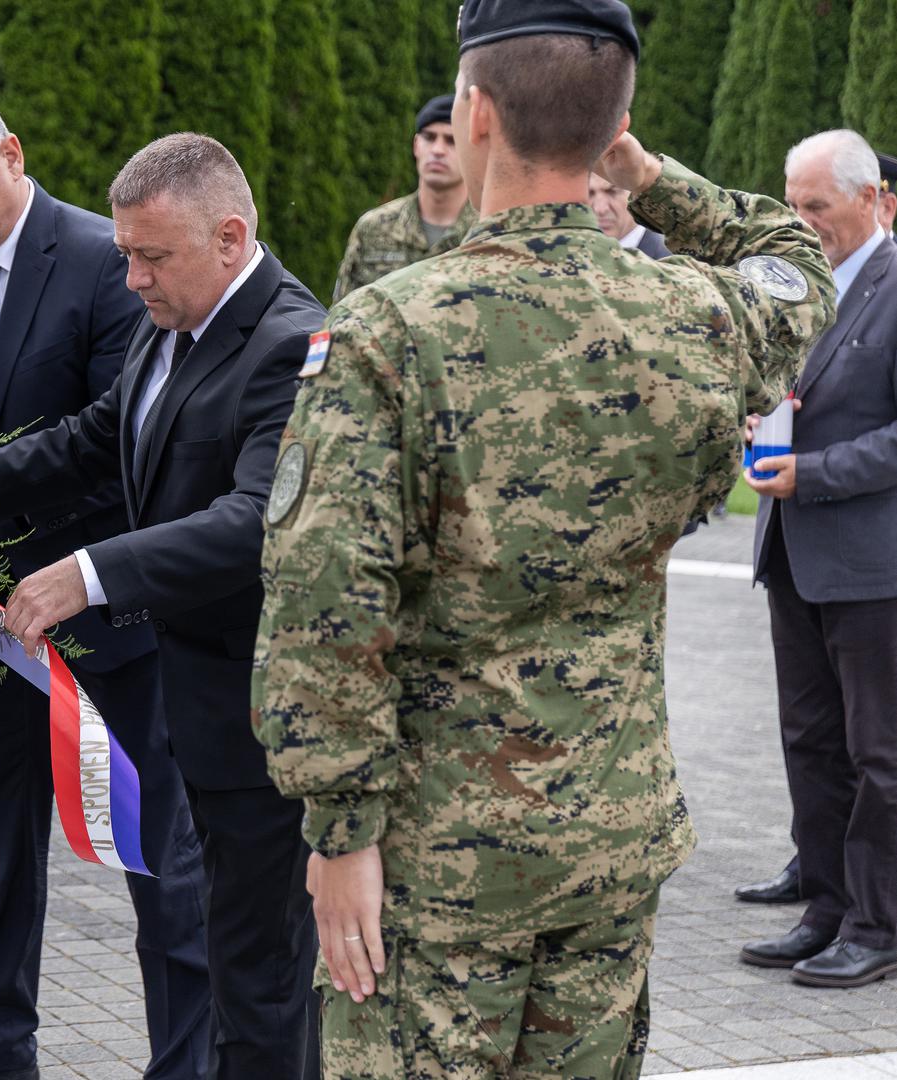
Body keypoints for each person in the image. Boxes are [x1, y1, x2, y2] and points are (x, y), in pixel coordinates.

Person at [252, 0, 834, 1075]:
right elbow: (794, 258)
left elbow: (326, 602)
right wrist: (649, 173)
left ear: (474, 113)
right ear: (614, 124)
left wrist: (340, 831)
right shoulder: (696, 317)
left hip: (438, 862)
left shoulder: (390, 331)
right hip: (609, 840)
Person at [0, 132, 327, 1079]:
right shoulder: (176, 323)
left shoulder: (287, 343)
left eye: (151, 256)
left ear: (231, 237)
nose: (130, 280)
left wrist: (88, 572)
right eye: (123, 254)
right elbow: (91, 439)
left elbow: (252, 521)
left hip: (255, 724)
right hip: (191, 702)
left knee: (261, 981)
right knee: (221, 953)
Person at [0, 75, 211, 1080]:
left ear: (11, 154)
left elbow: (113, 433)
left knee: (162, 862)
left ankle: (187, 1061)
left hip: (111, 615)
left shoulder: (111, 261)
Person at [738, 129, 897, 990]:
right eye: (790, 207)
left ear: (875, 201)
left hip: (872, 565)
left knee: (880, 755)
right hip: (789, 555)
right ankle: (826, 909)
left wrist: (816, 474)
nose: (800, 223)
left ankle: (878, 924)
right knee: (810, 742)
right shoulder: (795, 292)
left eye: (815, 208)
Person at [330, 93, 475, 302]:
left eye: (451, 140)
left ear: (471, 150)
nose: (438, 150)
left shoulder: (485, 232)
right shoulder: (374, 228)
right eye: (429, 137)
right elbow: (341, 313)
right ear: (416, 145)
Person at [589, 170, 670, 257]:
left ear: (637, 193)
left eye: (612, 192)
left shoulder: (670, 262)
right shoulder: (579, 255)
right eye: (589, 193)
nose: (600, 209)